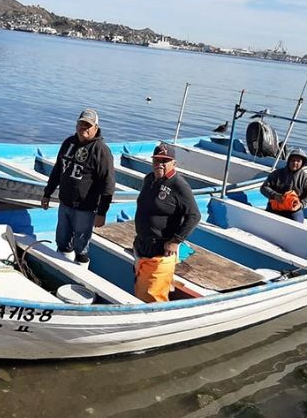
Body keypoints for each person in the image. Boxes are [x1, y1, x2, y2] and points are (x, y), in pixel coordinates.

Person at [41, 108, 116, 266]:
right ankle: (61, 267)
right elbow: (57, 170)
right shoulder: (68, 143)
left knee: (81, 246)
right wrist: (47, 193)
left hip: (85, 208)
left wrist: (102, 212)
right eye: (81, 124)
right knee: (62, 240)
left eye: (88, 125)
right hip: (65, 204)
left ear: (95, 128)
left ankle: (81, 273)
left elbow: (108, 184)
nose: (84, 128)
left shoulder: (101, 151)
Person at [133, 143, 201, 302]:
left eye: (165, 161)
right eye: (157, 160)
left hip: (161, 250)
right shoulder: (149, 179)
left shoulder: (179, 185)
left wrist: (176, 240)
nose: (160, 164)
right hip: (143, 246)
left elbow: (194, 215)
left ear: (174, 163)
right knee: (141, 288)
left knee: (153, 295)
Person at [260, 148, 307, 223]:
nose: (295, 163)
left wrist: (301, 204)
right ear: (289, 161)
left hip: (293, 210)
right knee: (264, 223)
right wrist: (274, 195)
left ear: (302, 163)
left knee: (297, 228)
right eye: (293, 160)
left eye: (298, 161)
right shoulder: (277, 173)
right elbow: (264, 188)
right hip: (275, 207)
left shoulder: (306, 179)